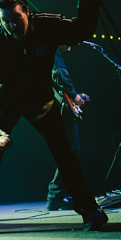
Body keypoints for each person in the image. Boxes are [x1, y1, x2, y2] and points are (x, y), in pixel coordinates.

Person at [0, 0, 108, 236]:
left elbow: (81, 30)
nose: (12, 26)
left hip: (41, 102)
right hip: (5, 105)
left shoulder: (48, 25)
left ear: (27, 12)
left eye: (16, 18)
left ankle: (90, 211)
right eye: (6, 21)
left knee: (65, 155)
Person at [46, 46, 89, 210]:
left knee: (69, 152)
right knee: (72, 151)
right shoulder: (53, 51)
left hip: (55, 108)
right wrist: (74, 95)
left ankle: (57, 195)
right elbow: (59, 74)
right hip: (59, 109)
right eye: (68, 44)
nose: (70, 49)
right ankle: (55, 194)